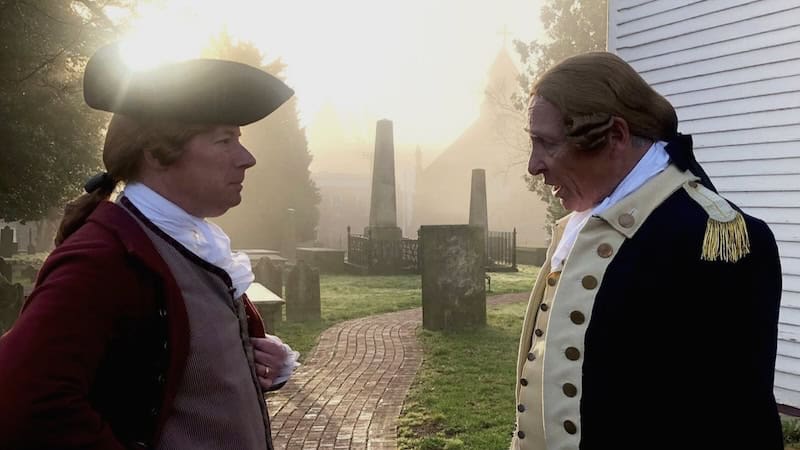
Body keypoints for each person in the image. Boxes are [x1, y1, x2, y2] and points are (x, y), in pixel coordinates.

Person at [0, 42, 300, 449]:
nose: (246, 158)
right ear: (157, 154)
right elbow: (22, 399)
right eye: (224, 141)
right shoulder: (102, 260)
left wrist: (263, 363)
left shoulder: (189, 244)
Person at [512, 51, 783, 449]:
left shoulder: (716, 240)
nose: (534, 165)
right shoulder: (579, 224)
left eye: (546, 144)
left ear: (616, 136)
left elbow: (737, 425)